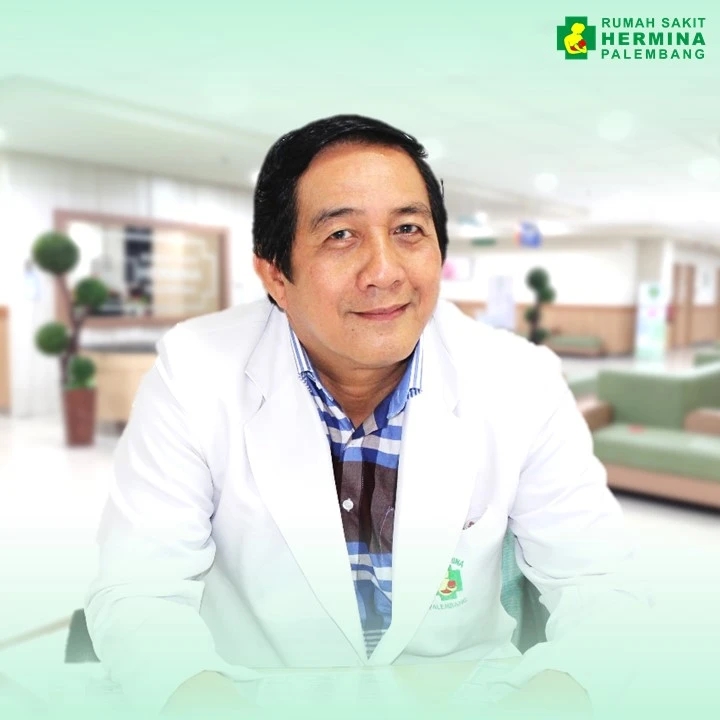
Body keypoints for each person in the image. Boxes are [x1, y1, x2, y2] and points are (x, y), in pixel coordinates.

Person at [85, 114, 649, 718]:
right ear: (275, 274)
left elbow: (601, 584)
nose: (384, 271)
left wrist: (551, 697)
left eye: (408, 229)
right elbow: (139, 590)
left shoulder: (519, 379)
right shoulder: (196, 371)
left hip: (467, 699)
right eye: (341, 235)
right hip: (256, 698)